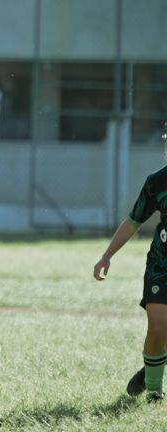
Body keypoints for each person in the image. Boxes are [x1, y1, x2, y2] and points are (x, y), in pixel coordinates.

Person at [93, 129, 167, 403]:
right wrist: (107, 255)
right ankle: (156, 391)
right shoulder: (157, 183)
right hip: (162, 264)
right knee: (159, 327)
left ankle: (153, 365)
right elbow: (134, 221)